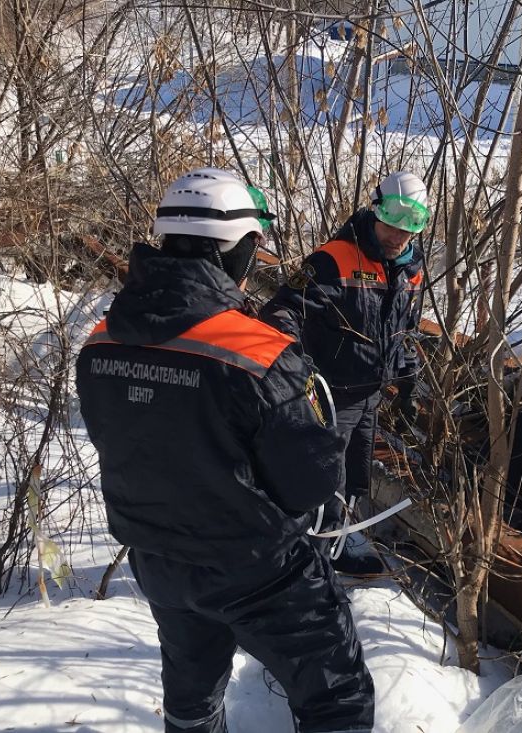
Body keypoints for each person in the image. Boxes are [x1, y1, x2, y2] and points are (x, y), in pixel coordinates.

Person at [75, 168, 375, 733]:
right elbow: (310, 483)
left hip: (160, 563)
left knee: (191, 705)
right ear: (238, 249)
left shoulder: (100, 340)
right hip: (258, 567)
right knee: (338, 704)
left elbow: (123, 439)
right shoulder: (261, 352)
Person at [259, 171, 429, 575]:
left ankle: (334, 542)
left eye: (411, 226)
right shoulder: (335, 258)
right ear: (376, 209)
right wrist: (299, 368)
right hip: (331, 392)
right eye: (393, 222)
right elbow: (282, 312)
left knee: (356, 477)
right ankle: (313, 559)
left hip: (372, 389)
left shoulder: (410, 270)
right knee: (325, 477)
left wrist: (407, 382)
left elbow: (404, 329)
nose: (399, 236)